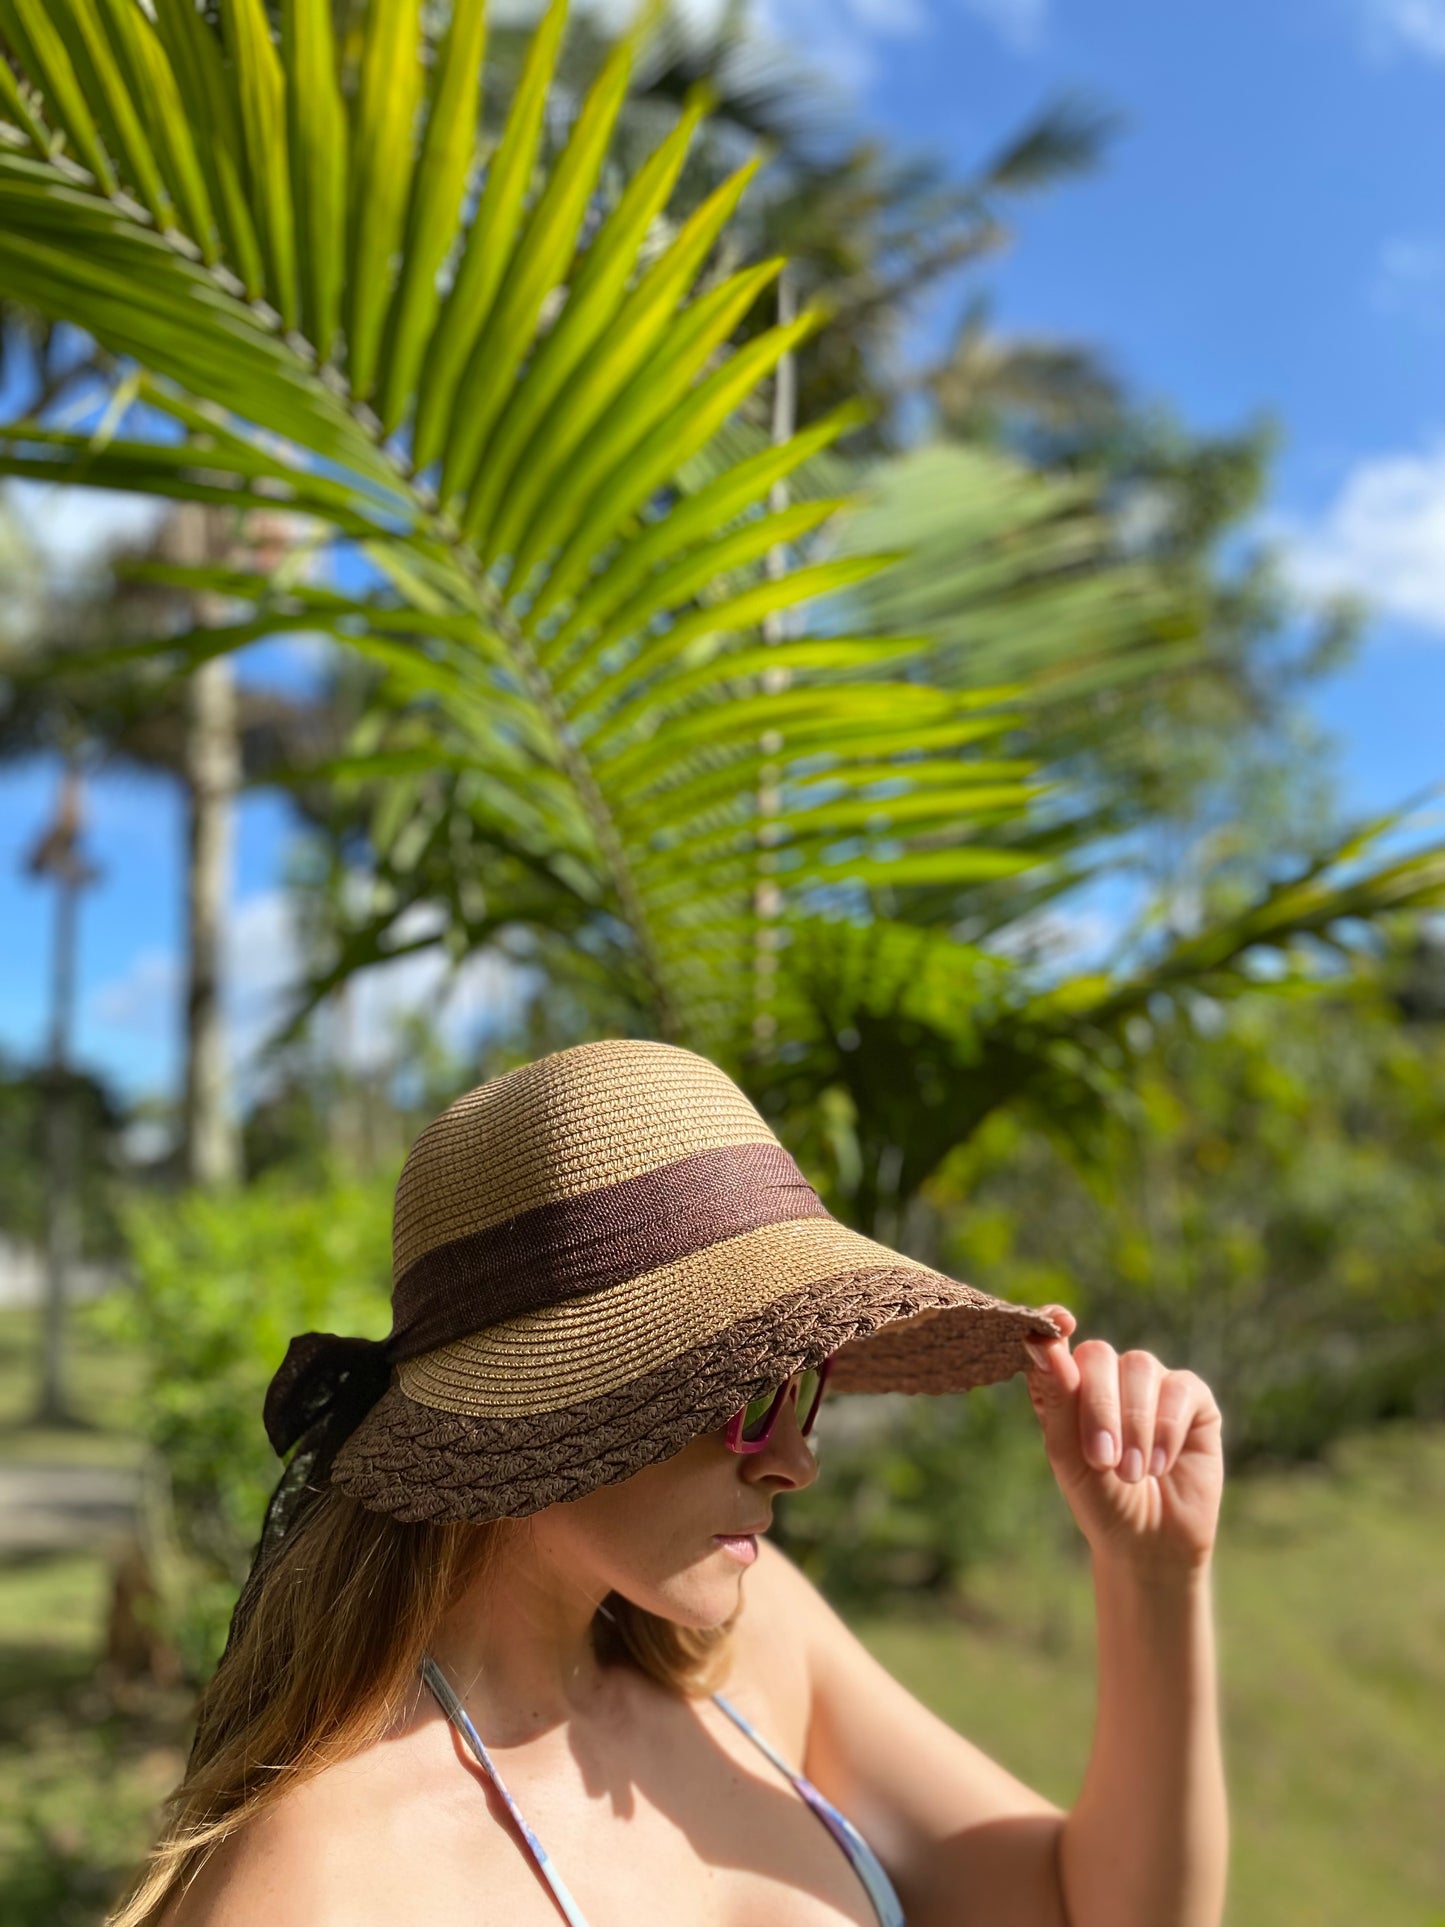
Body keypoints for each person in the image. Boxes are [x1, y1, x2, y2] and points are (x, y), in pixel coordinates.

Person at [113, 1038, 1227, 1927]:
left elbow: (1100, 1910)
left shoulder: (751, 1655)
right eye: (747, 1398)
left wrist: (1153, 1576)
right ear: (554, 1405)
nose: (796, 1460)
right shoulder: (327, 1886)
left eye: (808, 1390)